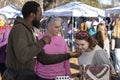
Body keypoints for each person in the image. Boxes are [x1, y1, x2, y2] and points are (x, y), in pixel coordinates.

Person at [2, 1, 80, 80]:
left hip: (26, 76)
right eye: (39, 14)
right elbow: (23, 56)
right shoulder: (19, 29)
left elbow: (44, 59)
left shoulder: (29, 31)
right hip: (16, 77)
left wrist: (69, 55)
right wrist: (42, 42)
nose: (41, 16)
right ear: (32, 15)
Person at [35, 16, 71, 80]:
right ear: (48, 27)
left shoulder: (62, 41)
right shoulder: (39, 39)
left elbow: (66, 60)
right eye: (56, 27)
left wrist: (68, 74)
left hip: (60, 76)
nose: (59, 29)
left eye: (60, 26)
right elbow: (35, 60)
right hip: (42, 76)